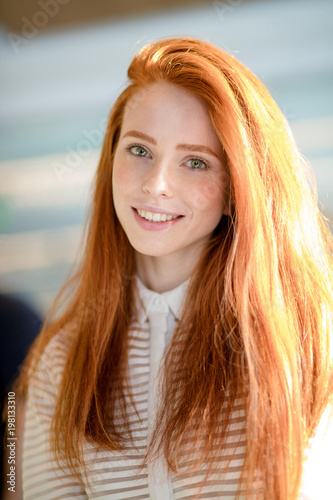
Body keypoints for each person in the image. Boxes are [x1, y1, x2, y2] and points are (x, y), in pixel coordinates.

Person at [17, 37, 333, 499]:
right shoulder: (60, 362)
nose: (156, 184)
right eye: (139, 150)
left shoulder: (303, 337)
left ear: (235, 190)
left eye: (195, 162)